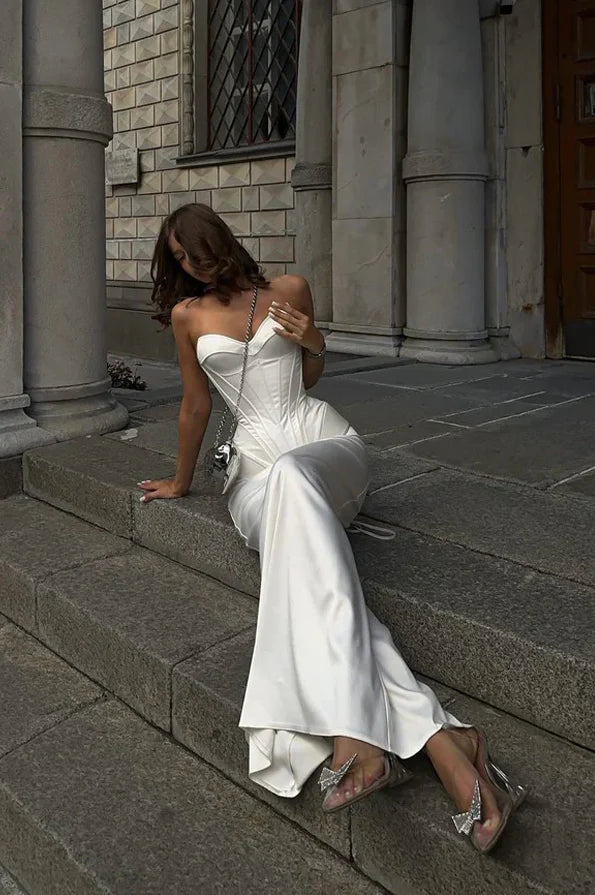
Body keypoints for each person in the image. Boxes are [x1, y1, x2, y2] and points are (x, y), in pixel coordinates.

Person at [137, 203, 526, 854]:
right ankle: (443, 740)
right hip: (254, 477)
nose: (189, 265)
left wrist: (313, 340)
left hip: (325, 448)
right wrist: (180, 481)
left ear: (220, 241)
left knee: (296, 478)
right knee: (290, 503)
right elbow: (196, 404)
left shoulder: (286, 290)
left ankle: (359, 735)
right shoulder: (186, 316)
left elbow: (308, 372)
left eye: (194, 249)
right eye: (176, 258)